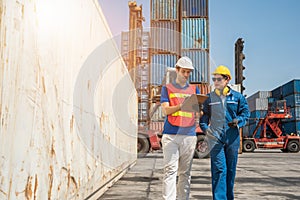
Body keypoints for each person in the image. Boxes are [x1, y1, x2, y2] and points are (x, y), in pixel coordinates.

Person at [199, 65, 250, 200]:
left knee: (231, 171)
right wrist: (208, 131)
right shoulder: (209, 98)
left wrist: (238, 120)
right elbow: (203, 120)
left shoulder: (238, 97)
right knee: (219, 170)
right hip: (216, 139)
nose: (215, 82)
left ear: (227, 80)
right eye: (214, 79)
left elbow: (245, 113)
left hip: (232, 139)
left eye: (219, 79)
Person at [160, 56, 200, 200]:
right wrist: (181, 106)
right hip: (171, 134)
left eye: (189, 72)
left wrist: (200, 109)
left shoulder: (195, 89)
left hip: (189, 134)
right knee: (170, 170)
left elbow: (198, 112)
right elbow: (165, 110)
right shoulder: (167, 89)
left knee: (185, 173)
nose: (186, 75)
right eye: (184, 71)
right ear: (177, 70)